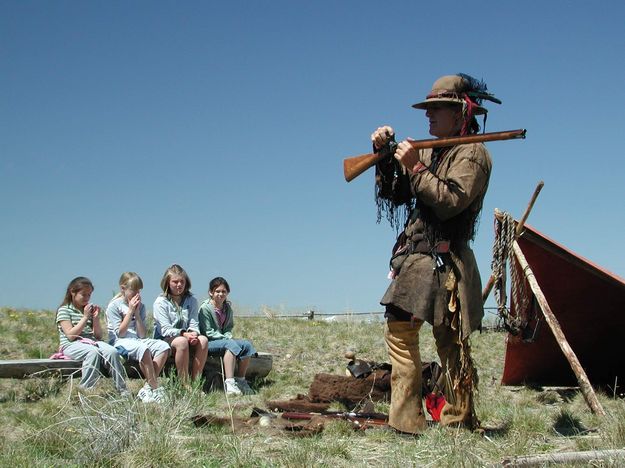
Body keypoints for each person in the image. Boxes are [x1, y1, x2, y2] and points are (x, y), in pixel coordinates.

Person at [370, 74, 501, 433]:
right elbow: (397, 194)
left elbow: (450, 202)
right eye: (428, 109)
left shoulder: (473, 153)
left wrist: (414, 165)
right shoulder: (428, 149)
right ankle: (405, 421)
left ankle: (459, 421)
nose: (429, 116)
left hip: (447, 263)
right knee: (399, 331)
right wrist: (385, 155)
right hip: (415, 259)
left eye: (437, 109)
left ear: (461, 113)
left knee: (450, 344)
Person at [56, 276, 129, 395]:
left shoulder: (87, 310)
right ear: (72, 292)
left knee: (112, 352)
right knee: (93, 352)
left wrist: (95, 319)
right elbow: (71, 335)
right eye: (83, 295)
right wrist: (85, 317)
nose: (87, 298)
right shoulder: (64, 310)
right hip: (71, 345)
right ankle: (86, 390)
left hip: (91, 342)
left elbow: (98, 336)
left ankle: (122, 389)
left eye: (89, 295)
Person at [106, 272, 170, 403]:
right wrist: (129, 312)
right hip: (120, 341)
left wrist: (137, 313)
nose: (137, 294)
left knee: (163, 347)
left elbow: (142, 334)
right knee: (143, 348)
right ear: (123, 288)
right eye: (133, 290)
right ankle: (155, 387)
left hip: (137, 339)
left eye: (139, 290)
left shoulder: (141, 307)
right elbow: (120, 333)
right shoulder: (114, 306)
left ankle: (147, 387)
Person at [198, 277, 257, 395]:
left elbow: (228, 327)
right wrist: (226, 338)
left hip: (223, 339)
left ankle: (241, 380)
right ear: (211, 292)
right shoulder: (205, 309)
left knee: (246, 345)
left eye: (223, 291)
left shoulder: (227, 308)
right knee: (230, 344)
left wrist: (227, 335)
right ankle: (229, 383)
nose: (220, 294)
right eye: (217, 291)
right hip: (208, 343)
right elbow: (208, 332)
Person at [153, 264, 208, 383]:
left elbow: (194, 322)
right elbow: (165, 329)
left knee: (203, 340)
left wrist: (193, 334)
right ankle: (184, 383)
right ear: (167, 283)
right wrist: (183, 334)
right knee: (181, 342)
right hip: (165, 339)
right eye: (175, 282)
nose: (179, 285)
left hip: (186, 336)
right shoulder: (160, 302)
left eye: (182, 281)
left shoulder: (191, 300)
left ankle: (196, 381)